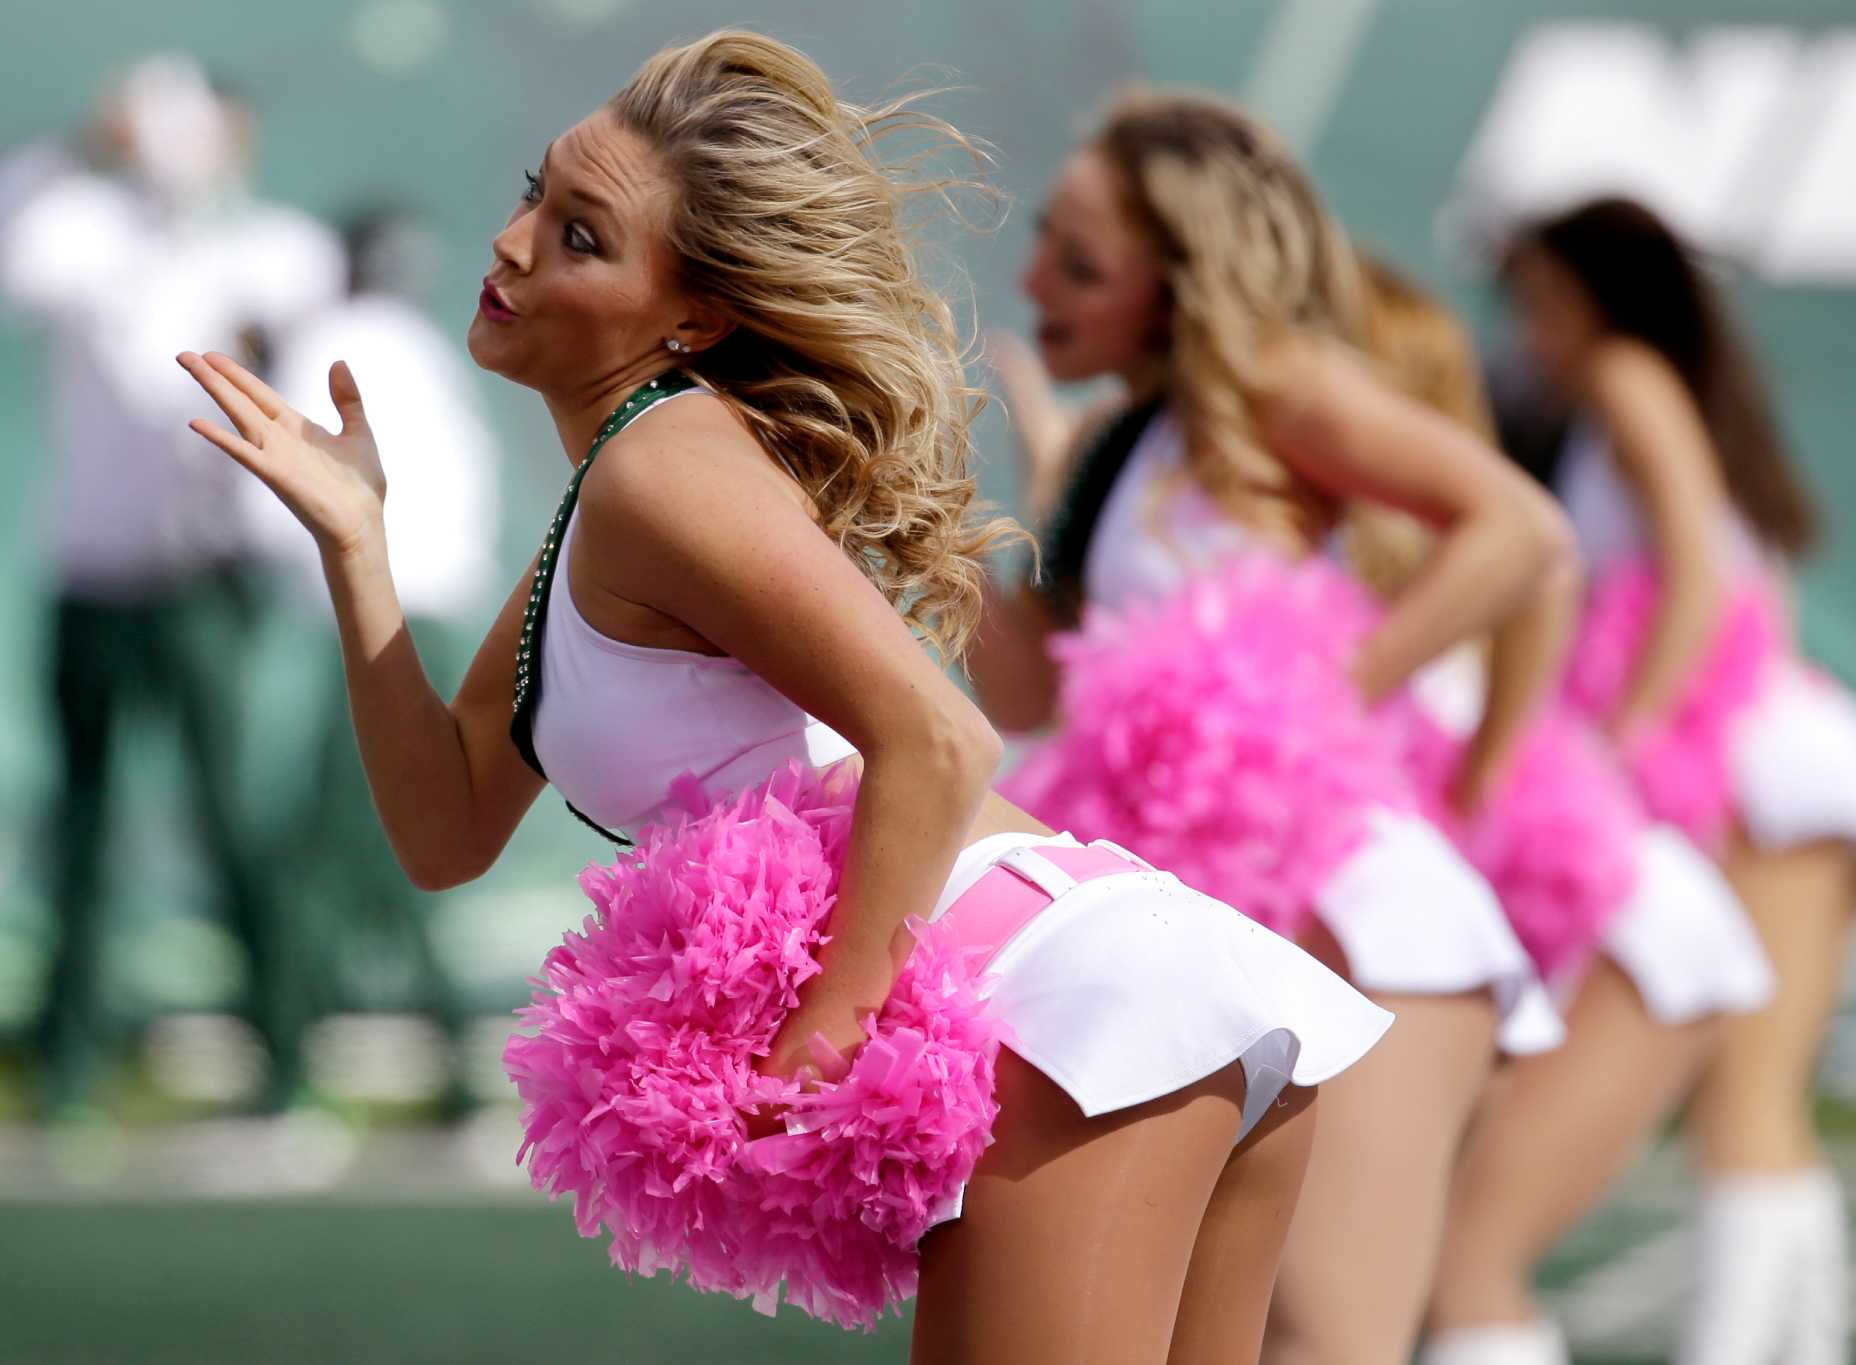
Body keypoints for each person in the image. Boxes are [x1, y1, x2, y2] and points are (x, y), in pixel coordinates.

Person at [179, 31, 1390, 1362]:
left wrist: (816, 1060)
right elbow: (446, 826)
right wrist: (360, 547)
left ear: (688, 318)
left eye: (579, 236)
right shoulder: (608, 504)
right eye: (535, 195)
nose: (514, 243)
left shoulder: (661, 470)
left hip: (1067, 1017)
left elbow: (937, 735)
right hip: (1114, 1007)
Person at [971, 89, 1572, 1365]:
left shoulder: (1275, 390)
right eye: (1042, 243)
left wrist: (1323, 696)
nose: (1035, 280)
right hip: (1213, 932)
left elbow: (1516, 529)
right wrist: (961, 537)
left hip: (1360, 917)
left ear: (1181, 275)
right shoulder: (1116, 443)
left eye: (1079, 261)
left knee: (1329, 1342)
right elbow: (1026, 703)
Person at [1496, 197, 1856, 1365]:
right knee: (1758, 1100)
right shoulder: (1638, 390)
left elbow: (1701, 581)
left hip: (1758, 773)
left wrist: (1627, 739)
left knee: (1743, 1099)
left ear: (1596, 294)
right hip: (1763, 757)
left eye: (1541, 299)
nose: (1528, 328)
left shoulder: (1625, 375)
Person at [1337, 253, 1774, 1365]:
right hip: (1564, 936)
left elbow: (1571, 567)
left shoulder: (1429, 558)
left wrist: (1605, 742)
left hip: (1629, 937)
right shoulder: (1379, 553)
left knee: (1462, 1270)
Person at [0, 54, 343, 1116]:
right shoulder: (84, 234)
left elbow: (274, 374)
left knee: (236, 817)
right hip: (94, 578)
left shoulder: (275, 250)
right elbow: (17, 257)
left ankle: (284, 1065)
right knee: (85, 827)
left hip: (201, 583)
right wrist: (80, 151)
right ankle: (68, 1071)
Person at [246, 203, 502, 1110]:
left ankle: (295, 1077)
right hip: (424, 616)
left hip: (359, 620)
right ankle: (436, 1066)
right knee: (395, 843)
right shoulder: (430, 351)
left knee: (350, 847)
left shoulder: (335, 341)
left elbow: (283, 503)